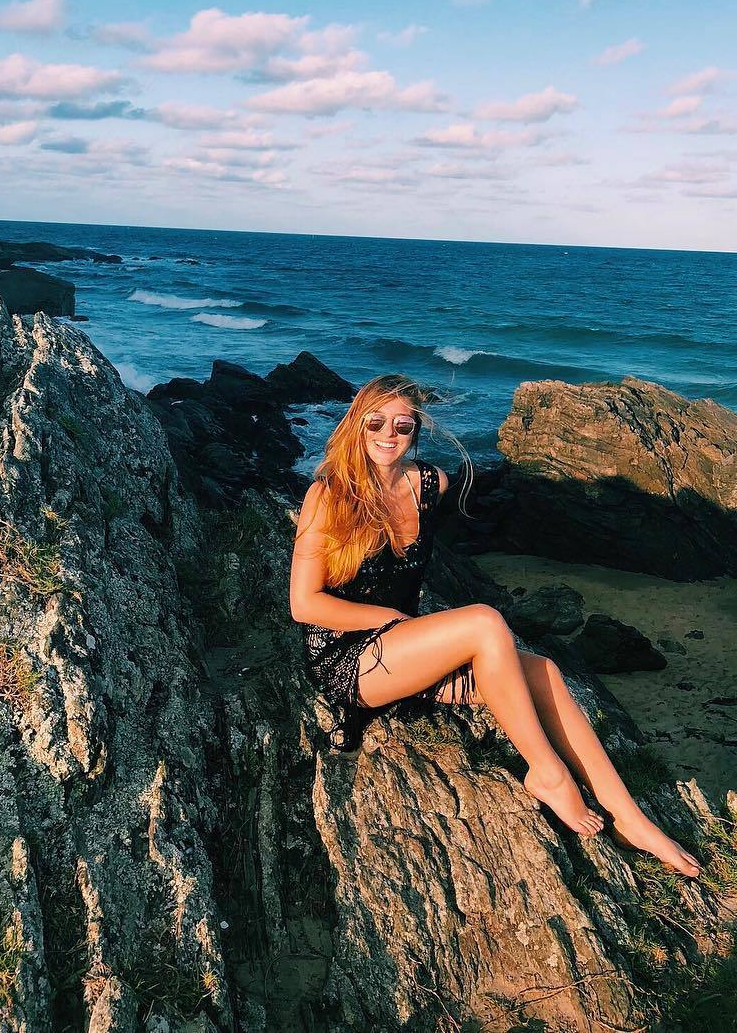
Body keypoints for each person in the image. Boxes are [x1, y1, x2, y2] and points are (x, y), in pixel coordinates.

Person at [289, 373, 702, 877]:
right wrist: (391, 619)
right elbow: (304, 605)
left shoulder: (430, 485)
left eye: (402, 424)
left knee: (544, 671)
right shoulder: (329, 495)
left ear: (415, 429)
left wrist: (413, 633)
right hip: (349, 660)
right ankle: (547, 773)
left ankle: (630, 819)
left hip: (406, 650)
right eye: (375, 422)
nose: (387, 434)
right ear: (357, 424)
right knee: (485, 622)